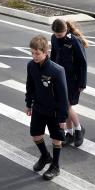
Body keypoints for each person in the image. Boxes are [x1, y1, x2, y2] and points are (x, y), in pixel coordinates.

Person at [25, 35, 68, 181]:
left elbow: (63, 97)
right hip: (38, 107)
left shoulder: (57, 70)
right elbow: (30, 86)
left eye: (37, 53)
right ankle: (45, 156)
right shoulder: (31, 66)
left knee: (56, 138)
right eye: (32, 53)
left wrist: (63, 117)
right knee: (35, 135)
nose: (34, 56)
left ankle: (55, 166)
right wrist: (28, 103)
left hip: (54, 111)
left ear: (45, 52)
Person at [50, 18, 88, 147]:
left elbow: (83, 63)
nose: (58, 37)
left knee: (67, 106)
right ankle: (70, 133)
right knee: (65, 105)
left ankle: (79, 129)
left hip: (73, 79)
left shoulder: (74, 41)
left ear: (66, 30)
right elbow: (53, 58)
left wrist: (82, 83)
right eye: (56, 34)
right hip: (59, 77)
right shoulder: (54, 38)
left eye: (60, 35)